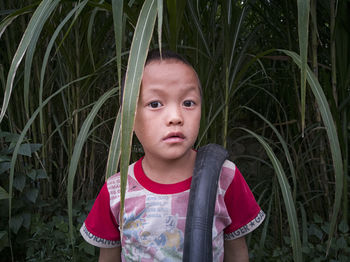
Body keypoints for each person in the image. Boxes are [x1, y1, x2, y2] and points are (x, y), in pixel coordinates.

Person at [80, 49, 265, 262]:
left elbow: (237, 253)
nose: (176, 117)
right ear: (128, 117)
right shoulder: (116, 191)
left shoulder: (225, 177)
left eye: (188, 103)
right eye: (155, 104)